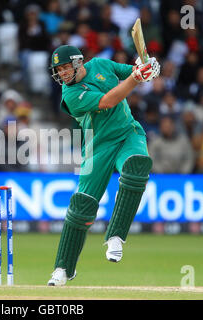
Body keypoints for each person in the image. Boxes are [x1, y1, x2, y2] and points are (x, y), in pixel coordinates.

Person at [46, 45, 160, 286]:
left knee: (137, 165)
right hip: (97, 145)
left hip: (128, 133)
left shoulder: (101, 64)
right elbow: (109, 100)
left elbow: (132, 70)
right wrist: (137, 77)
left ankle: (116, 235)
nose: (63, 74)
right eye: (59, 70)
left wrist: (147, 68)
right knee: (82, 206)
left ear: (79, 62)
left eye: (66, 67)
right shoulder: (70, 94)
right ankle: (63, 268)